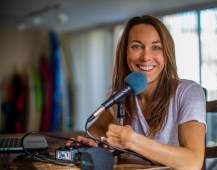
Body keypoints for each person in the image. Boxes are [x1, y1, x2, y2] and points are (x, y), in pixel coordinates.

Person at [67, 15, 206, 169]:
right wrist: (93, 142)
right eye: (137, 46)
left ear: (167, 54)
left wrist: (133, 141)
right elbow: (97, 129)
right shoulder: (120, 95)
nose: (146, 57)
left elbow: (193, 162)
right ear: (125, 53)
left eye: (156, 47)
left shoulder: (189, 92)